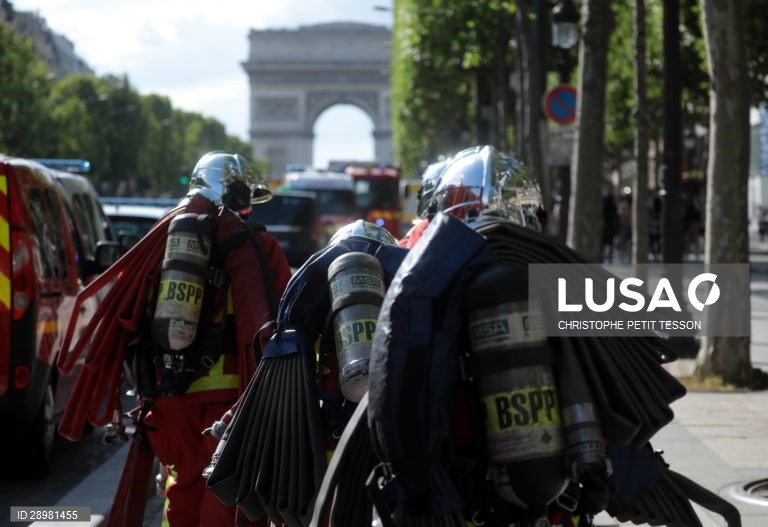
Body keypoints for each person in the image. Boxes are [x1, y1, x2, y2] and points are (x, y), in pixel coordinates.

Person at [56, 152, 292, 527]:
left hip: (169, 394)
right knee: (224, 493)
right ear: (240, 197)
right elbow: (281, 322)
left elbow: (130, 313)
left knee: (180, 486)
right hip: (232, 400)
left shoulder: (158, 243)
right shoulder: (261, 248)